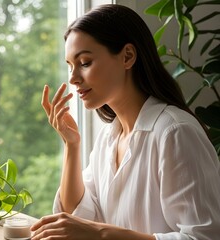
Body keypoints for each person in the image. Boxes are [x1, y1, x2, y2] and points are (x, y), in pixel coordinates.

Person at [30, 4, 220, 240]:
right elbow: (76, 216)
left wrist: (101, 234)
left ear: (127, 56)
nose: (73, 78)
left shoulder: (175, 132)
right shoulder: (109, 137)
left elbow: (205, 237)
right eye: (70, 65)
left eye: (85, 62)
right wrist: (72, 145)